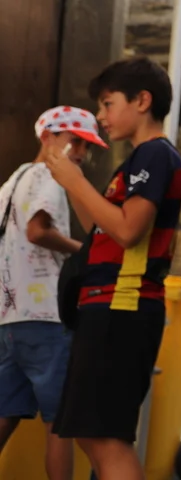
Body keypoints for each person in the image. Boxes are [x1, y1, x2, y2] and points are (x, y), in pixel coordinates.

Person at [43, 57, 181, 480]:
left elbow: (127, 230)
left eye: (107, 104)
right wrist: (72, 181)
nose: (100, 116)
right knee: (91, 435)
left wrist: (74, 181)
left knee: (105, 439)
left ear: (142, 101)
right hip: (108, 307)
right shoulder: (141, 159)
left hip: (123, 306)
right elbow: (100, 227)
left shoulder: (155, 154)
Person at [0, 107, 107, 480]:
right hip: (46, 315)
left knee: (5, 412)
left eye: (87, 146)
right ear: (47, 137)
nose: (81, 152)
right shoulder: (50, 175)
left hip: (9, 318)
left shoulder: (13, 180)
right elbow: (37, 230)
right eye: (74, 141)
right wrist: (87, 252)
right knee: (59, 422)